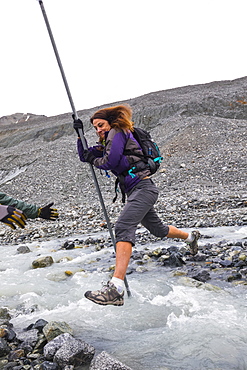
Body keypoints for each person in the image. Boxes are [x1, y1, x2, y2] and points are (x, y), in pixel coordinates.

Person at [75, 105, 200, 306]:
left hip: (143, 188)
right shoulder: (108, 140)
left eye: (100, 125)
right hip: (136, 191)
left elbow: (109, 161)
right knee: (158, 230)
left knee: (123, 227)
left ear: (110, 122)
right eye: (95, 128)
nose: (98, 130)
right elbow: (85, 156)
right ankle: (191, 237)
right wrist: (80, 138)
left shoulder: (118, 132)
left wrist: (94, 158)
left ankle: (115, 289)